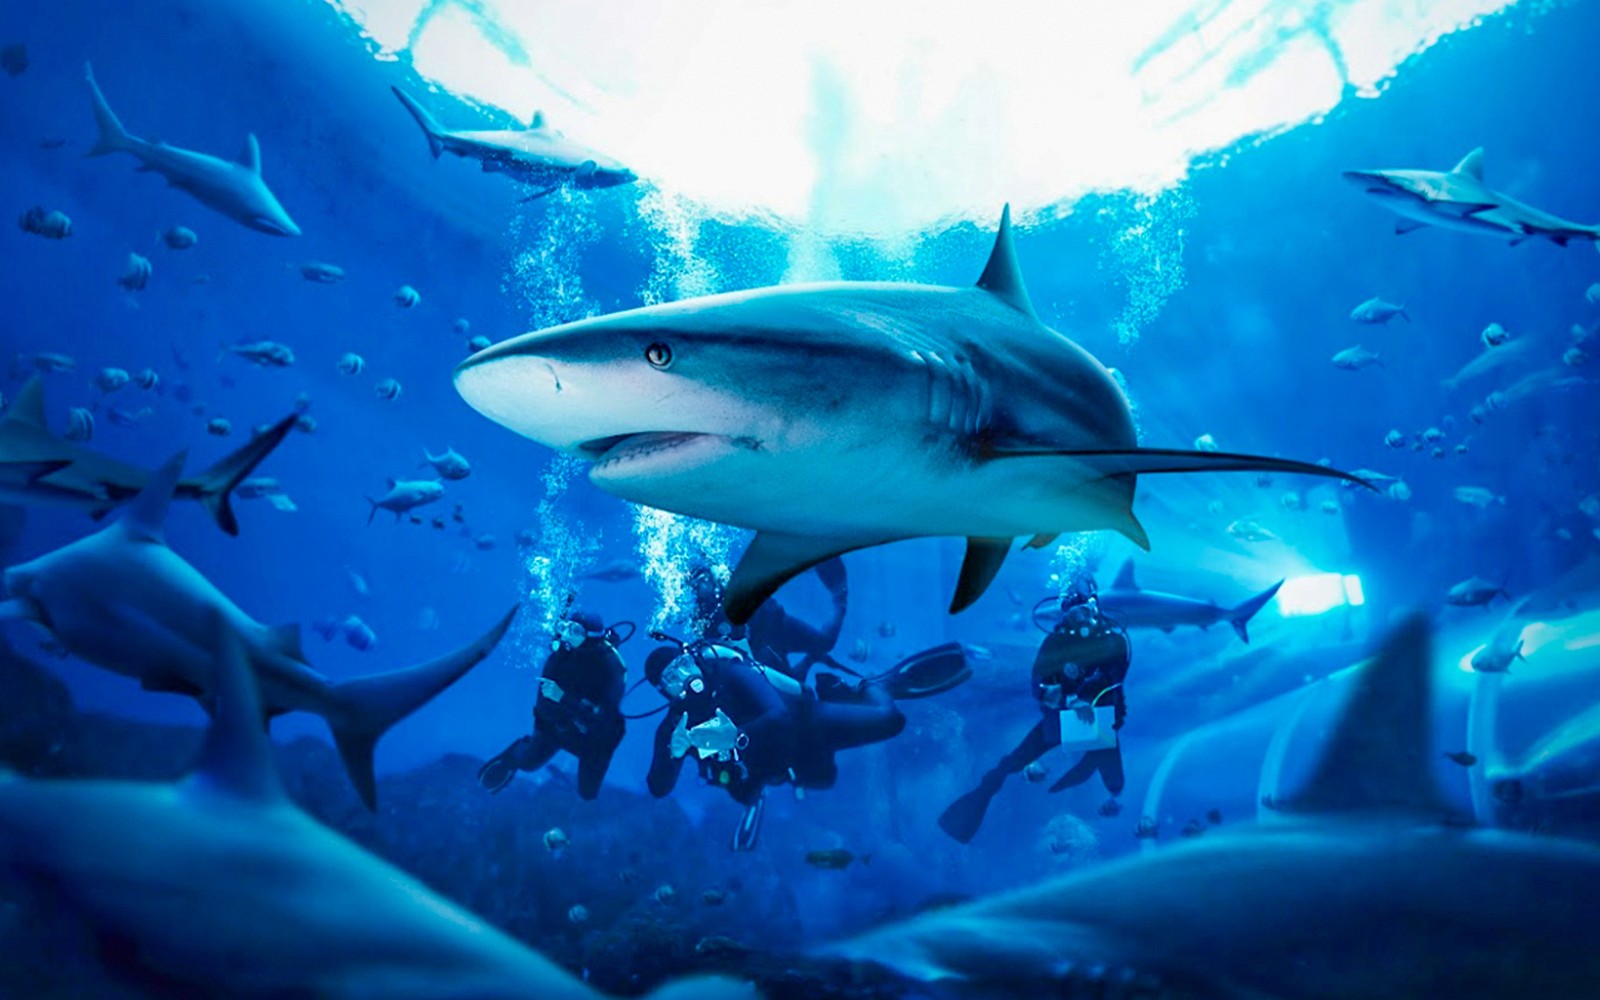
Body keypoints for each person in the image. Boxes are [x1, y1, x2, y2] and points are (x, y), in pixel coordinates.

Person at [642, 632, 908, 850]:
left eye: (684, 664)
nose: (685, 677)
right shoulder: (674, 728)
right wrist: (674, 752)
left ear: (692, 659)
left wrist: (735, 737)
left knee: (890, 720)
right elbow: (658, 788)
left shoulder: (729, 673)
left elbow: (780, 716)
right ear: (663, 691)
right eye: (672, 677)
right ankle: (762, 790)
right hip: (771, 766)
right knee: (818, 781)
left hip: (806, 725)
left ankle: (870, 686)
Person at [938, 576, 1131, 843]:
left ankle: (1110, 802)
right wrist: (1058, 696)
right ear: (1065, 614)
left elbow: (1113, 679)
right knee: (1013, 762)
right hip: (1064, 717)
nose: (1082, 619)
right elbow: (1038, 681)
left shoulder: (1114, 641)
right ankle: (971, 808)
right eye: (1074, 613)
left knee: (1114, 784)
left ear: (1095, 607)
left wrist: (1082, 698)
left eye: (1085, 610)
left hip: (1097, 719)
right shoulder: (1056, 642)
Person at [477, 611, 632, 800]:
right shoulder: (559, 658)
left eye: (574, 630)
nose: (566, 634)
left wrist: (564, 698)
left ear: (591, 637)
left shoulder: (612, 668)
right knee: (528, 763)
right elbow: (543, 705)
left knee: (588, 793)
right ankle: (514, 754)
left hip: (593, 739)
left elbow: (604, 721)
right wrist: (542, 736)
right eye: (565, 627)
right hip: (559, 727)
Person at [687, 559, 849, 682]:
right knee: (789, 687)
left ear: (711, 576)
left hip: (776, 622)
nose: (703, 587)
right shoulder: (701, 617)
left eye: (704, 579)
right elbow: (711, 646)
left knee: (825, 643)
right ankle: (811, 659)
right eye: (697, 584)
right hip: (759, 647)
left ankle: (840, 601)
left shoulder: (727, 580)